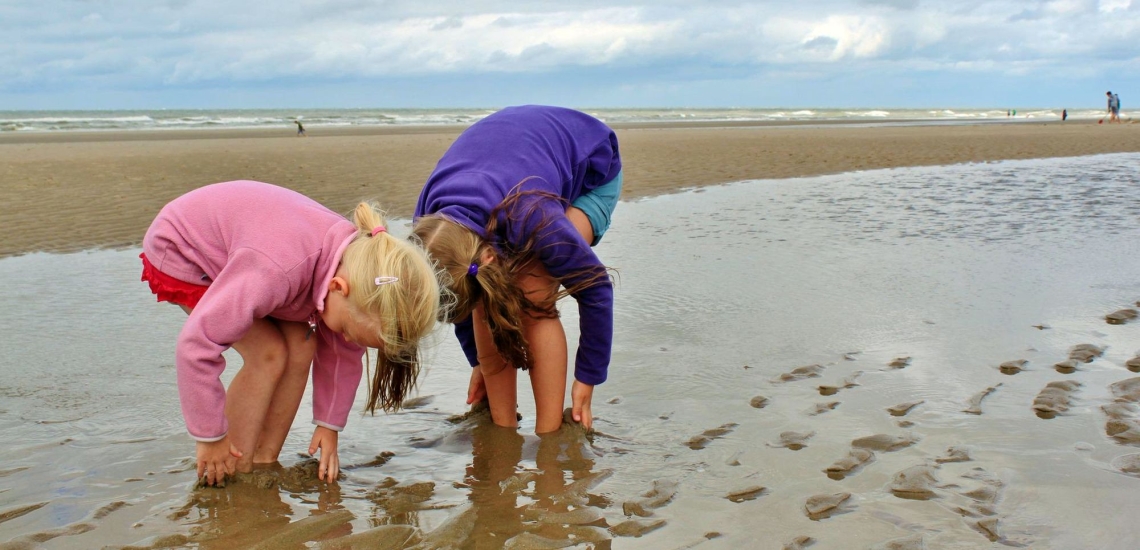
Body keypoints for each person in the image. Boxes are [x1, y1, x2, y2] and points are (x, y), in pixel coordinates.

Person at [141, 180, 441, 486]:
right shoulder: (275, 271)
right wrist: (210, 435)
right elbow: (196, 346)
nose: (348, 340)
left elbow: (343, 356)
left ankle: (264, 459)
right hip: (184, 248)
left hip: (260, 252)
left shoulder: (356, 273)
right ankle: (231, 466)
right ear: (338, 288)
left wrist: (329, 426)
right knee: (268, 353)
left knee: (301, 343)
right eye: (348, 331)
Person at [412, 105, 620, 434]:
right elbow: (458, 301)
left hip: (591, 170)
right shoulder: (428, 230)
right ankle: (503, 425)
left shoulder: (533, 215)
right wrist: (478, 361)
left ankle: (549, 431)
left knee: (532, 291)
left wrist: (588, 377)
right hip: (517, 163)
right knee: (482, 299)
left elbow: (595, 289)